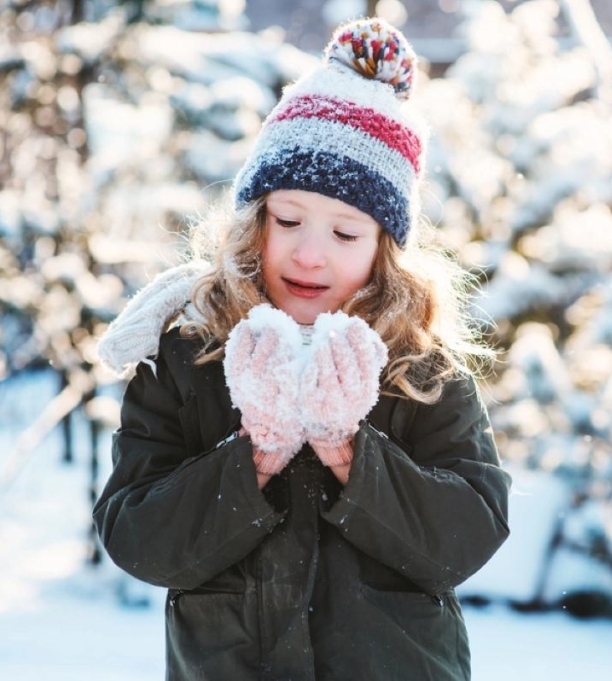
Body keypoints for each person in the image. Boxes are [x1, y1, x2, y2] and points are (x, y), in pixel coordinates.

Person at [93, 17, 511, 681]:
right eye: (287, 220)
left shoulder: (420, 368)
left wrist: (348, 447)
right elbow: (135, 534)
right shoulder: (189, 355)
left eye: (346, 233)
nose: (309, 254)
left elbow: (468, 531)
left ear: (385, 251)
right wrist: (256, 453)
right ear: (256, 219)